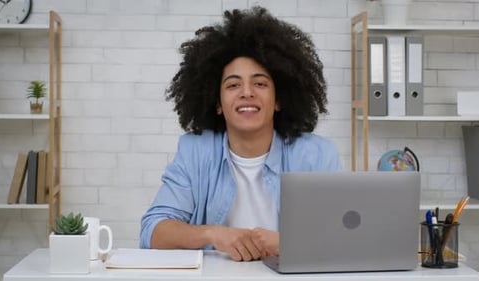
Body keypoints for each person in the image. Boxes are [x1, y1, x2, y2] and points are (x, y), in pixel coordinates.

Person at [140, 6, 341, 262]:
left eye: (260, 83)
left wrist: (285, 243)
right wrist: (214, 234)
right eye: (233, 85)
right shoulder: (195, 152)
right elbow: (153, 231)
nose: (247, 92)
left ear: (279, 100)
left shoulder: (317, 155)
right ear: (218, 103)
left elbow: (339, 237)